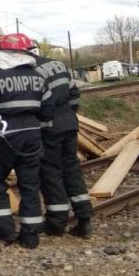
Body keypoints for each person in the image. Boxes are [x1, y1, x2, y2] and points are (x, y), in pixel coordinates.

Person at [0, 33, 55, 248]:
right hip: (32, 138)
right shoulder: (39, 77)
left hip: (4, 139)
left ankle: (5, 231)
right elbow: (48, 111)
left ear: (5, 53)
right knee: (30, 186)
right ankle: (30, 236)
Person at [32, 50, 94, 238]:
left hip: (50, 128)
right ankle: (84, 218)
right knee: (72, 169)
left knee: (51, 172)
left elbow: (38, 105)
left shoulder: (31, 71)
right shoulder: (57, 64)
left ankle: (57, 222)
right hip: (69, 123)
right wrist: (68, 114)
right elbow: (74, 94)